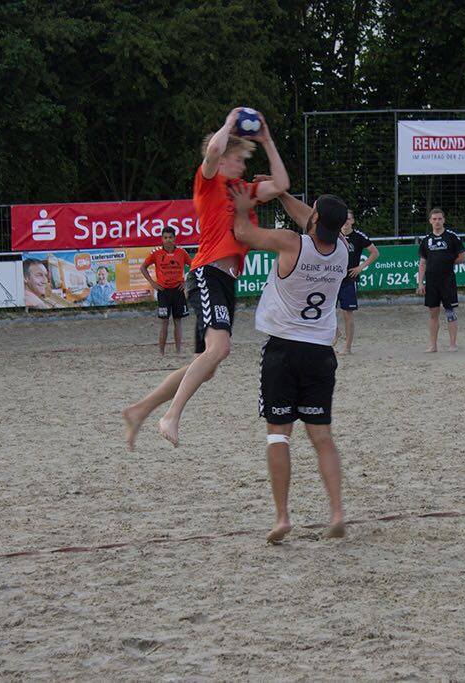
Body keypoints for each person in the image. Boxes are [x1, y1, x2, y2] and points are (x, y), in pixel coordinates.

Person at [122, 107, 288, 449]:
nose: (243, 166)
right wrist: (229, 122)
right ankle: (171, 416)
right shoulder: (209, 183)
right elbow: (212, 151)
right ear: (224, 159)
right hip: (207, 273)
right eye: (238, 159)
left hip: (225, 281)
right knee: (220, 348)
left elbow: (283, 184)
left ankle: (140, 409)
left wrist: (268, 140)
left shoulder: (243, 191)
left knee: (207, 365)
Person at [228, 183, 349, 543]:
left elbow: (243, 232)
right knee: (322, 437)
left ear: (315, 217)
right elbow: (312, 220)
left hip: (283, 349)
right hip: (320, 353)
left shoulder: (290, 242)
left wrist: (242, 204)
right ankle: (337, 513)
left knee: (278, 435)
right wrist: (282, 194)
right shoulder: (343, 250)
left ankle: (282, 517)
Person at [415, 208, 465, 352]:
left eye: (439, 219)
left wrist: (447, 261)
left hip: (447, 279)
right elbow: (422, 263)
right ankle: (433, 345)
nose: (437, 221)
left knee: (450, 312)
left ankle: (452, 344)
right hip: (431, 281)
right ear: (430, 221)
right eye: (434, 219)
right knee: (433, 313)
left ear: (444, 220)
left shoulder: (452, 237)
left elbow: (463, 258)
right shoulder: (426, 240)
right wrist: (420, 283)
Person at [142, 226, 192, 355]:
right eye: (165, 237)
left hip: (178, 291)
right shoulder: (156, 253)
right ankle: (161, 352)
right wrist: (152, 283)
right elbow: (143, 267)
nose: (168, 240)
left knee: (178, 321)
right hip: (163, 291)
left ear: (175, 239)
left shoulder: (182, 252)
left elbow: (194, 266)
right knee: (164, 322)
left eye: (170, 237)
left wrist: (186, 282)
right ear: (162, 239)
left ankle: (178, 351)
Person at [335, 210, 379, 354]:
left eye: (348, 219)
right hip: (333, 279)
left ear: (353, 221)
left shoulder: (358, 236)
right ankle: (335, 332)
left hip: (349, 279)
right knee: (327, 311)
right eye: (343, 219)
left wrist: (361, 267)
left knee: (347, 313)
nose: (346, 222)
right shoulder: (334, 235)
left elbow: (375, 252)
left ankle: (347, 347)